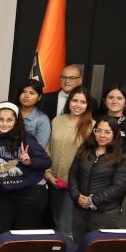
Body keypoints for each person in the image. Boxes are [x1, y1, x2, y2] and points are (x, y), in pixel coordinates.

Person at [0, 102, 52, 240]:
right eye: (0, 119)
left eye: (9, 120)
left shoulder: (26, 138)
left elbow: (47, 162)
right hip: (6, 194)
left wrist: (30, 161)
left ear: (16, 121)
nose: (4, 123)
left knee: (20, 238)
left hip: (30, 194)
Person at [68, 116, 126, 238]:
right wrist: (76, 196)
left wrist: (92, 200)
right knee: (78, 249)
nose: (102, 135)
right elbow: (72, 174)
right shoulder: (84, 149)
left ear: (115, 134)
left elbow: (118, 187)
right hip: (80, 210)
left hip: (105, 214)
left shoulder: (122, 156)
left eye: (107, 132)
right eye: (98, 131)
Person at [45, 86, 94, 238]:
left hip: (74, 184)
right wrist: (48, 174)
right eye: (74, 100)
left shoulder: (92, 125)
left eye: (82, 102)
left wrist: (70, 180)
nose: (78, 105)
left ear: (88, 105)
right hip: (53, 180)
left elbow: (90, 157)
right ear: (69, 102)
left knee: (67, 226)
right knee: (56, 220)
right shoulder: (56, 120)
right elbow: (48, 149)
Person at [98, 84, 126, 175]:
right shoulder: (96, 119)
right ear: (104, 100)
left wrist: (125, 177)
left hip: (118, 175)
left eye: (119, 98)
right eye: (110, 97)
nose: (114, 101)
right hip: (93, 171)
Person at [18, 79, 51, 148]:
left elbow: (39, 148)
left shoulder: (42, 119)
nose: (26, 96)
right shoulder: (11, 112)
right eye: (23, 92)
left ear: (39, 97)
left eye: (32, 93)